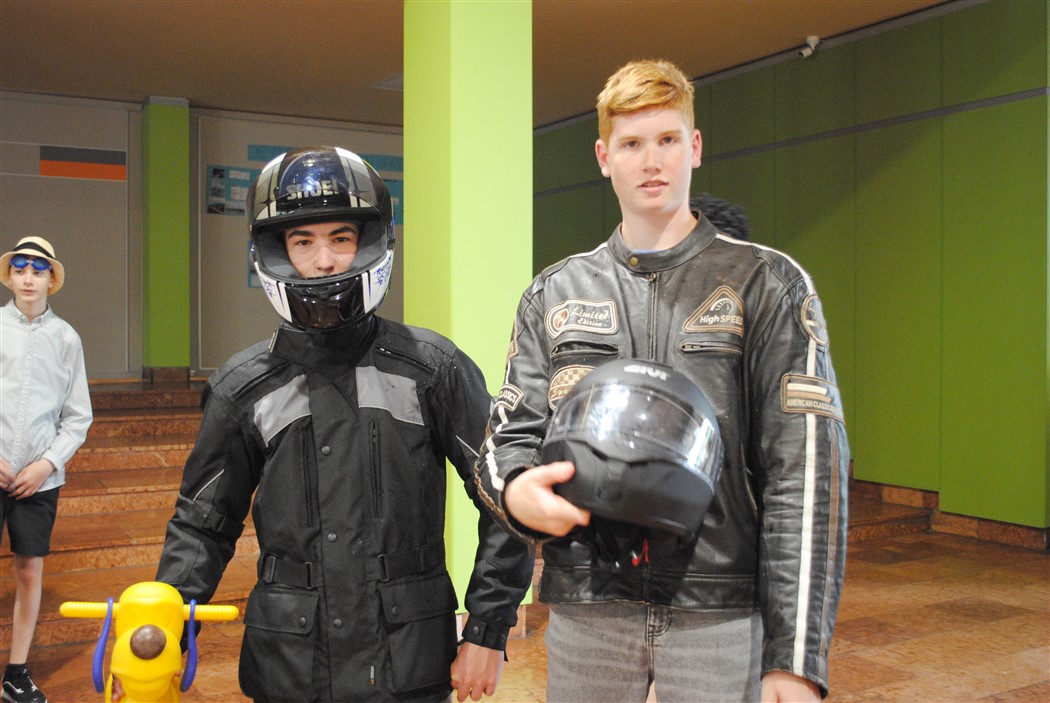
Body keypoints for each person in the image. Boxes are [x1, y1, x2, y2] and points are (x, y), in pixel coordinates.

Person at [474, 59, 849, 702]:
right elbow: (506, 438)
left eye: (668, 139)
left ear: (695, 147)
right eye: (631, 144)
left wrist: (795, 655)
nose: (651, 161)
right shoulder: (554, 292)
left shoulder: (768, 284)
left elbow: (806, 471)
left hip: (720, 610)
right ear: (604, 158)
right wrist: (515, 492)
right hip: (588, 606)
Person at [151, 146, 532, 703]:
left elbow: (507, 498)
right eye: (303, 241)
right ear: (277, 252)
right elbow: (203, 524)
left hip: (407, 661)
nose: (324, 260)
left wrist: (487, 630)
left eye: (341, 238)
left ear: (371, 242)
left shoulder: (432, 369)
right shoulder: (243, 386)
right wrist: (167, 624)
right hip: (292, 665)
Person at [1, 237, 93, 703]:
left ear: (51, 280)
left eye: (38, 270)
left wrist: (46, 464)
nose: (29, 278)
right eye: (20, 269)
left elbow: (78, 416)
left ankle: (16, 673)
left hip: (39, 480)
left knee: (29, 570)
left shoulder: (66, 339)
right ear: (10, 276)